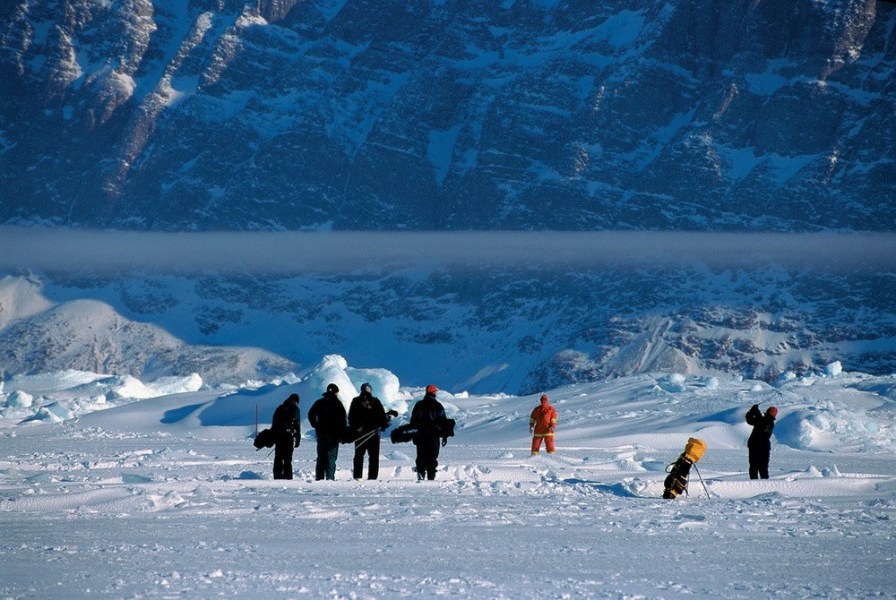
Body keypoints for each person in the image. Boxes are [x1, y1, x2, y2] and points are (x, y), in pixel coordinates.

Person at [348, 382, 389, 480]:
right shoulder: (375, 401)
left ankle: (357, 476)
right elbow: (382, 417)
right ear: (370, 390)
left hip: (360, 434)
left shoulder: (356, 401)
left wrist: (356, 428)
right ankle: (372, 477)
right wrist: (383, 425)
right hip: (374, 434)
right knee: (374, 457)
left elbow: (351, 417)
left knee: (359, 456)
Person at [410, 384, 450, 481]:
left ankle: (421, 474)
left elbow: (413, 421)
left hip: (421, 435)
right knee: (432, 457)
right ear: (434, 393)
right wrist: (444, 436)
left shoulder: (419, 405)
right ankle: (431, 478)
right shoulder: (438, 406)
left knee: (421, 456)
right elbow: (443, 422)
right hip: (433, 436)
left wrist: (413, 434)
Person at [308, 383, 347, 481]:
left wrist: (315, 425)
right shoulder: (338, 404)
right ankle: (330, 478)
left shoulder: (319, 402)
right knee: (331, 457)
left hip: (321, 434)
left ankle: (319, 478)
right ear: (336, 392)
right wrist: (342, 435)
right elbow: (343, 421)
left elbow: (311, 414)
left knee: (321, 456)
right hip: (333, 435)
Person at [271, 393, 301, 480]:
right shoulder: (295, 409)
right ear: (296, 401)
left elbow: (274, 423)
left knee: (278, 457)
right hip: (288, 436)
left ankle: (277, 476)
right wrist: (297, 437)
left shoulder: (280, 408)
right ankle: (287, 477)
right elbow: (297, 424)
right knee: (287, 458)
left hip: (279, 436)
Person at [745, 404, 778, 479]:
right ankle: (765, 484)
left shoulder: (764, 421)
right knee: (763, 467)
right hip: (764, 446)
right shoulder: (770, 422)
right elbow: (757, 420)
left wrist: (752, 411)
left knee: (754, 466)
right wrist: (755, 411)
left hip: (755, 446)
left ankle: (755, 484)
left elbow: (750, 420)